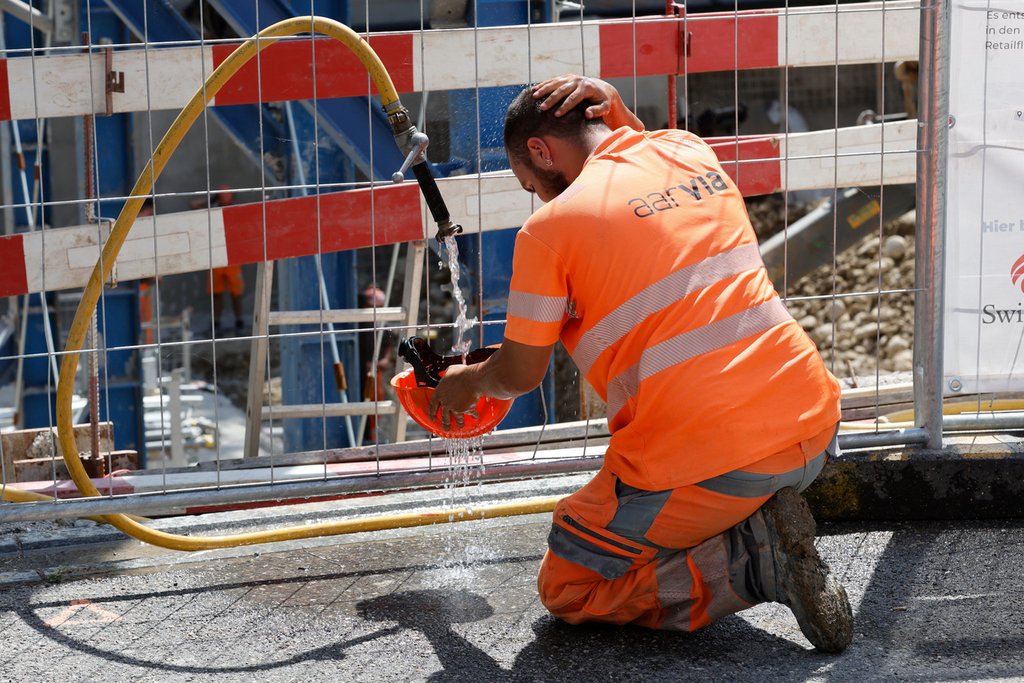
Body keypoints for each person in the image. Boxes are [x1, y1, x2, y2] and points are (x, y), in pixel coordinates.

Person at [429, 75, 853, 652]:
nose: (537, 196)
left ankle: (754, 563)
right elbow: (636, 155)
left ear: (539, 150)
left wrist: (465, 383)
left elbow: (519, 375)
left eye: (531, 184)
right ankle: (750, 524)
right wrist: (619, 111)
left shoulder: (550, 231)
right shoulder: (688, 151)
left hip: (714, 462)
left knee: (570, 586)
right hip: (816, 429)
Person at [192, 188, 245, 335]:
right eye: (222, 196)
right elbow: (193, 205)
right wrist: (210, 201)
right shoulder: (212, 211)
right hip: (215, 258)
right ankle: (216, 323)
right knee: (216, 294)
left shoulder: (237, 210)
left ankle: (239, 321)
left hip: (233, 258)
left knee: (236, 294)